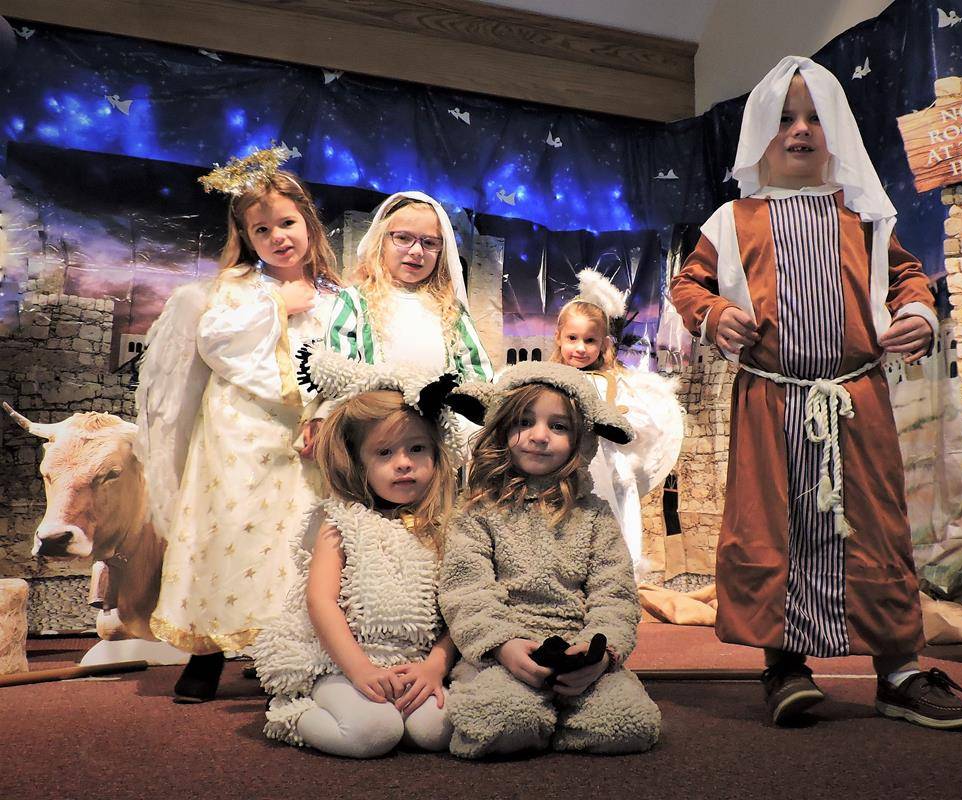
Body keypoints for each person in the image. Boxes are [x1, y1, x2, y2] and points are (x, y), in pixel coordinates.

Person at [669, 56, 962, 730]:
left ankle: (897, 671)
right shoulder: (734, 219)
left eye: (814, 117)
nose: (801, 130)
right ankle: (784, 665)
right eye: (784, 118)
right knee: (773, 527)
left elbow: (909, 280)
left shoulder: (863, 216)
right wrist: (717, 314)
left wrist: (918, 316)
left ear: (836, 129)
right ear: (761, 134)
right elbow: (689, 285)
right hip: (769, 400)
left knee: (874, 526)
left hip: (854, 398)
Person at [138, 147, 341, 702]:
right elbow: (218, 344)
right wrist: (278, 306)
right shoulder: (234, 288)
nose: (278, 237)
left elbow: (342, 362)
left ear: (308, 223)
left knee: (292, 543)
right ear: (247, 236)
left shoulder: (336, 299)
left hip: (303, 437)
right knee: (225, 533)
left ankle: (279, 649)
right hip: (237, 436)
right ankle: (204, 655)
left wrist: (321, 413)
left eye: (287, 223)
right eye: (262, 229)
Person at [438, 362, 662, 757]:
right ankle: (537, 718)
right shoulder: (477, 511)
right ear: (502, 428)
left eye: (558, 427)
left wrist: (601, 653)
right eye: (525, 422)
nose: (540, 437)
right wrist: (502, 645)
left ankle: (560, 716)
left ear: (582, 439)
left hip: (580, 653)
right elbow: (465, 589)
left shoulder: (593, 515)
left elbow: (616, 594)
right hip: (503, 655)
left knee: (630, 728)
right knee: (501, 723)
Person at [253, 357, 465, 757]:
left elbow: (461, 607)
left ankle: (394, 709)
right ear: (359, 465)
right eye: (384, 453)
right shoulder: (343, 523)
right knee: (373, 733)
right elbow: (321, 601)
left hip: (415, 666)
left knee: (438, 731)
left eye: (416, 449)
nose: (403, 462)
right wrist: (360, 670)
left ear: (438, 455)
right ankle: (293, 715)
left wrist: (435, 666)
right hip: (342, 664)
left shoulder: (450, 528)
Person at [296, 190, 493, 455]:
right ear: (381, 242)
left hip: (437, 434)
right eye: (403, 238)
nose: (416, 251)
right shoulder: (355, 300)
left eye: (429, 243)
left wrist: (452, 409)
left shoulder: (451, 311)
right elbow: (338, 367)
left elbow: (476, 372)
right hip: (374, 429)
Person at [551, 268, 684, 569]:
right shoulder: (548, 379)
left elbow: (637, 424)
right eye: (573, 338)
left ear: (604, 343)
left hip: (606, 464)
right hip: (560, 462)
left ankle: (615, 573)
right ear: (558, 337)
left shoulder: (615, 381)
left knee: (610, 517)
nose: (581, 348)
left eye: (590, 340)